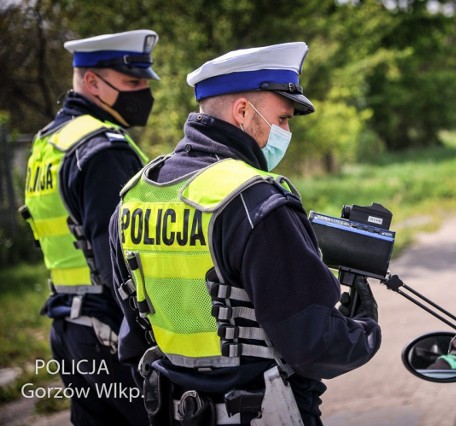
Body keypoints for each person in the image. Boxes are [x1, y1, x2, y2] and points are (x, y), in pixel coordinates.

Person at [108, 41, 382, 425]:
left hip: (170, 411)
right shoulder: (253, 201)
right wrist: (364, 329)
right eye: (283, 119)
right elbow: (311, 344)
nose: (286, 131)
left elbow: (134, 335)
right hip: (261, 411)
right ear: (242, 112)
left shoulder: (135, 197)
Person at [20, 29, 159, 425]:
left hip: (69, 328)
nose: (143, 92)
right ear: (93, 81)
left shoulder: (49, 143)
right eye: (133, 82)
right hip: (111, 330)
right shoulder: (103, 149)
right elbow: (117, 256)